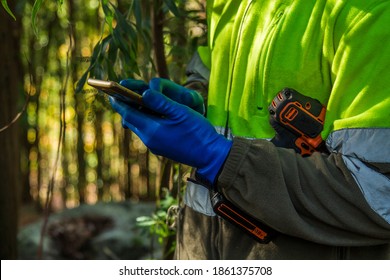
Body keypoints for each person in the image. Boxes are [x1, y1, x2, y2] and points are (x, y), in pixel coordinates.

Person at [109, 0, 390, 259]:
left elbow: (381, 198)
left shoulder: (370, 12)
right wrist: (198, 99)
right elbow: (209, 67)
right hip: (200, 250)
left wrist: (221, 158)